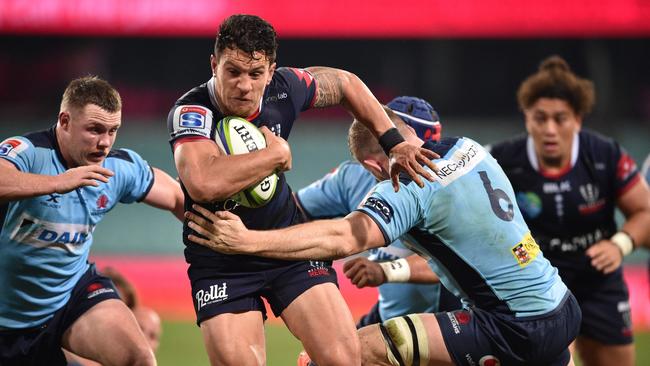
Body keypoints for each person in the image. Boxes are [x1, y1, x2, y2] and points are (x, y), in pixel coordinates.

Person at [185, 111, 581, 366]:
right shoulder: (470, 148)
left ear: (372, 165)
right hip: (562, 305)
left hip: (512, 326)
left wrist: (246, 241)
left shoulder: (408, 186)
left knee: (348, 352)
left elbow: (343, 237)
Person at [166, 14, 437, 366]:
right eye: (232, 72)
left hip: (288, 245)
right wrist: (274, 155)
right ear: (214, 64)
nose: (244, 86)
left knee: (344, 359)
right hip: (221, 258)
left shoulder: (284, 88)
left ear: (271, 70)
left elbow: (344, 83)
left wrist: (393, 143)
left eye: (255, 74)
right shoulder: (193, 111)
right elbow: (202, 183)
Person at [0, 76, 184, 366]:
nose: (105, 143)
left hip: (69, 299)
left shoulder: (116, 168)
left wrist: (230, 239)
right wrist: (57, 182)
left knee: (139, 359)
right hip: (6, 317)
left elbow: (177, 199)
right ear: (64, 121)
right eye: (95, 130)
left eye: (113, 131)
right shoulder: (29, 152)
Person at [487, 55, 650, 366]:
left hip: (597, 281)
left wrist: (621, 245)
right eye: (540, 118)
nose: (549, 129)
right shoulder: (501, 160)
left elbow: (645, 212)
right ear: (527, 118)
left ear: (577, 119)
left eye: (560, 118)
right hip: (535, 282)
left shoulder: (605, 155)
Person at [295, 96, 459, 327]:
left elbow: (455, 262)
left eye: (429, 149)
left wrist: (386, 271)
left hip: (446, 319)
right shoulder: (352, 177)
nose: (425, 157)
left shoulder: (444, 187)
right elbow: (294, 209)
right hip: (387, 318)